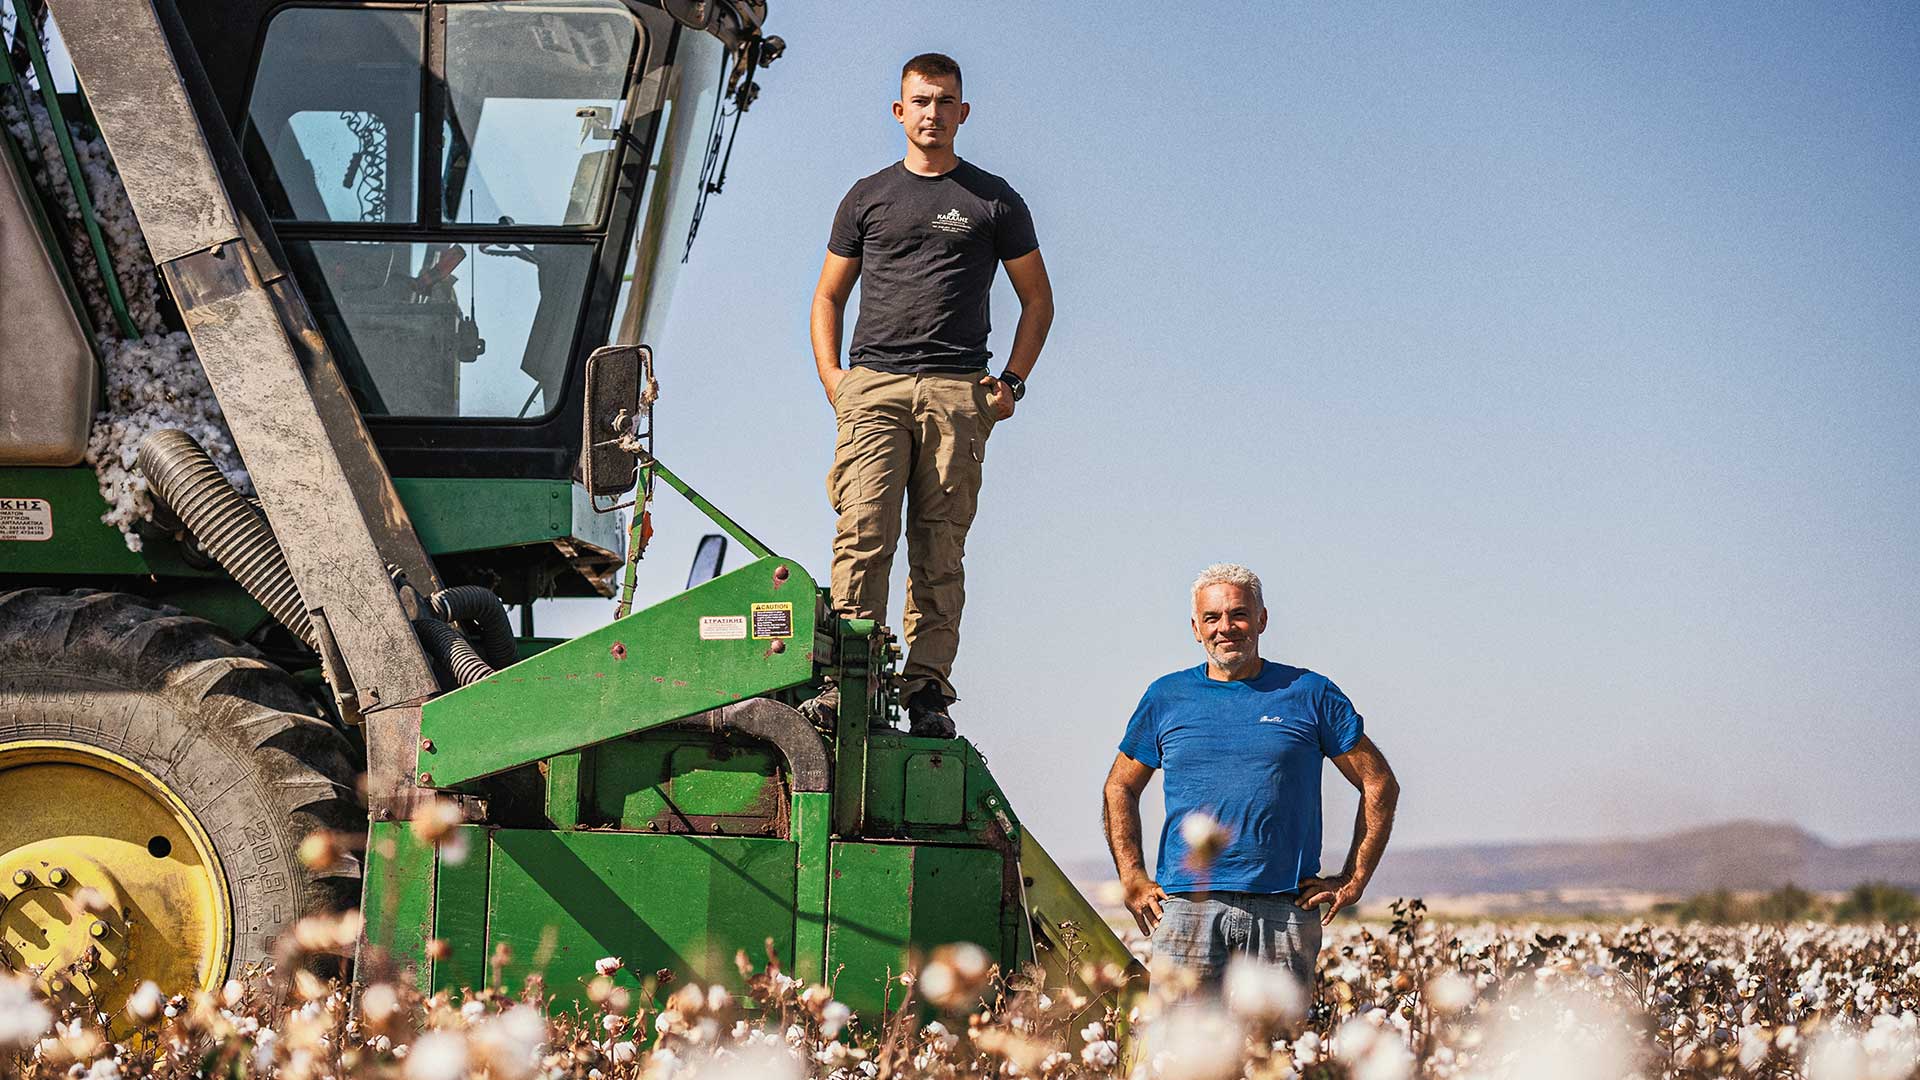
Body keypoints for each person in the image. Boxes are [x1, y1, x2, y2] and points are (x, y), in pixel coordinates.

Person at [808, 52, 1054, 737]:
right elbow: (828, 295)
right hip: (874, 386)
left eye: (945, 101)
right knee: (862, 536)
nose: (932, 113)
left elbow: (1038, 300)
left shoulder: (992, 200)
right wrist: (835, 379)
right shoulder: (867, 196)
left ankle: (927, 693)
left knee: (939, 550)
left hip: (956, 392)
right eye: (920, 101)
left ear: (962, 112)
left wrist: (1011, 383)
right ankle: (843, 686)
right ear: (899, 110)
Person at [1102, 563, 1401, 989]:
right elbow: (1120, 785)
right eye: (1212, 617)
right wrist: (1131, 876)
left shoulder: (1311, 693)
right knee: (1181, 1052)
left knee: (1278, 1050)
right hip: (1187, 908)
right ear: (1195, 628)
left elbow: (1379, 782)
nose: (1227, 627)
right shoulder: (1165, 697)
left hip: (1283, 912)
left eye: (1239, 614)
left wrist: (1353, 878)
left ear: (1261, 619)